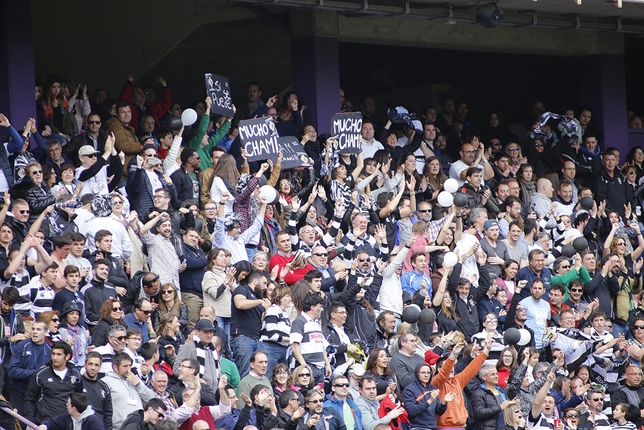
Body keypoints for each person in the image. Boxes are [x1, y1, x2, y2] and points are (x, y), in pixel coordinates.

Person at [24, 341, 82, 423]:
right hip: (45, 422)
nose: (55, 357)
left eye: (59, 354)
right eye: (53, 354)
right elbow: (29, 399)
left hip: (68, 423)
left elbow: (79, 399)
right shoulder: (40, 374)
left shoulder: (76, 375)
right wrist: (31, 422)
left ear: (67, 356)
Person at [231, 270, 271, 378]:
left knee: (258, 375)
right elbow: (239, 303)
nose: (265, 287)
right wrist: (260, 302)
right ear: (254, 281)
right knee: (245, 373)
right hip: (243, 338)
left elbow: (261, 322)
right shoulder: (242, 289)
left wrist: (267, 310)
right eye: (264, 283)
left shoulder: (258, 298)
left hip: (256, 339)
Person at [101, 352, 155, 430]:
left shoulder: (134, 379)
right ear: (115, 367)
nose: (128, 369)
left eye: (130, 365)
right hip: (120, 427)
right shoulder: (105, 382)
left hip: (139, 426)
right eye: (125, 366)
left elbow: (151, 399)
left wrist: (138, 383)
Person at [8, 320, 51, 414]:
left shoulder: (50, 348)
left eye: (38, 329)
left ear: (46, 332)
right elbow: (12, 371)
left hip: (39, 394)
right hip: (20, 392)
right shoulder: (22, 346)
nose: (34, 332)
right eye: (33, 329)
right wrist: (36, 372)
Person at [290, 294, 331, 385]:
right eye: (320, 307)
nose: (322, 309)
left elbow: (321, 345)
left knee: (319, 396)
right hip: (308, 367)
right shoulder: (299, 322)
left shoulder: (316, 322)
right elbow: (294, 345)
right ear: (312, 307)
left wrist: (327, 364)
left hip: (320, 368)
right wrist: (305, 367)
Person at [173, 319, 221, 389]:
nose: (209, 335)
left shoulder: (212, 350)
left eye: (211, 332)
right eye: (205, 332)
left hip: (212, 393)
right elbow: (176, 369)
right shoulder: (188, 347)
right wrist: (194, 379)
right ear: (197, 332)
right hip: (195, 390)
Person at [259, 285, 292, 377]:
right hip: (270, 348)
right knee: (268, 376)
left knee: (280, 378)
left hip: (282, 349)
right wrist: (290, 339)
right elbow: (271, 335)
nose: (290, 299)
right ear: (280, 298)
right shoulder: (272, 311)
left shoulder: (284, 314)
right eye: (287, 297)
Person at [471, 365, 517, 430]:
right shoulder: (478, 393)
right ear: (484, 377)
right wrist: (500, 407)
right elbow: (479, 413)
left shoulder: (501, 390)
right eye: (493, 374)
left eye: (496, 374)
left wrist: (512, 404)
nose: (496, 376)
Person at [79, 352, 113, 430]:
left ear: (100, 367)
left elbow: (108, 413)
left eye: (96, 365)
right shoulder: (78, 383)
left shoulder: (104, 386)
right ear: (85, 365)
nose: (93, 368)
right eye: (90, 364)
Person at [37, 392, 106, 430]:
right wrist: (44, 426)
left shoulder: (95, 422)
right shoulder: (67, 416)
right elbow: (53, 422)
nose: (66, 405)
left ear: (74, 408)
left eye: (68, 404)